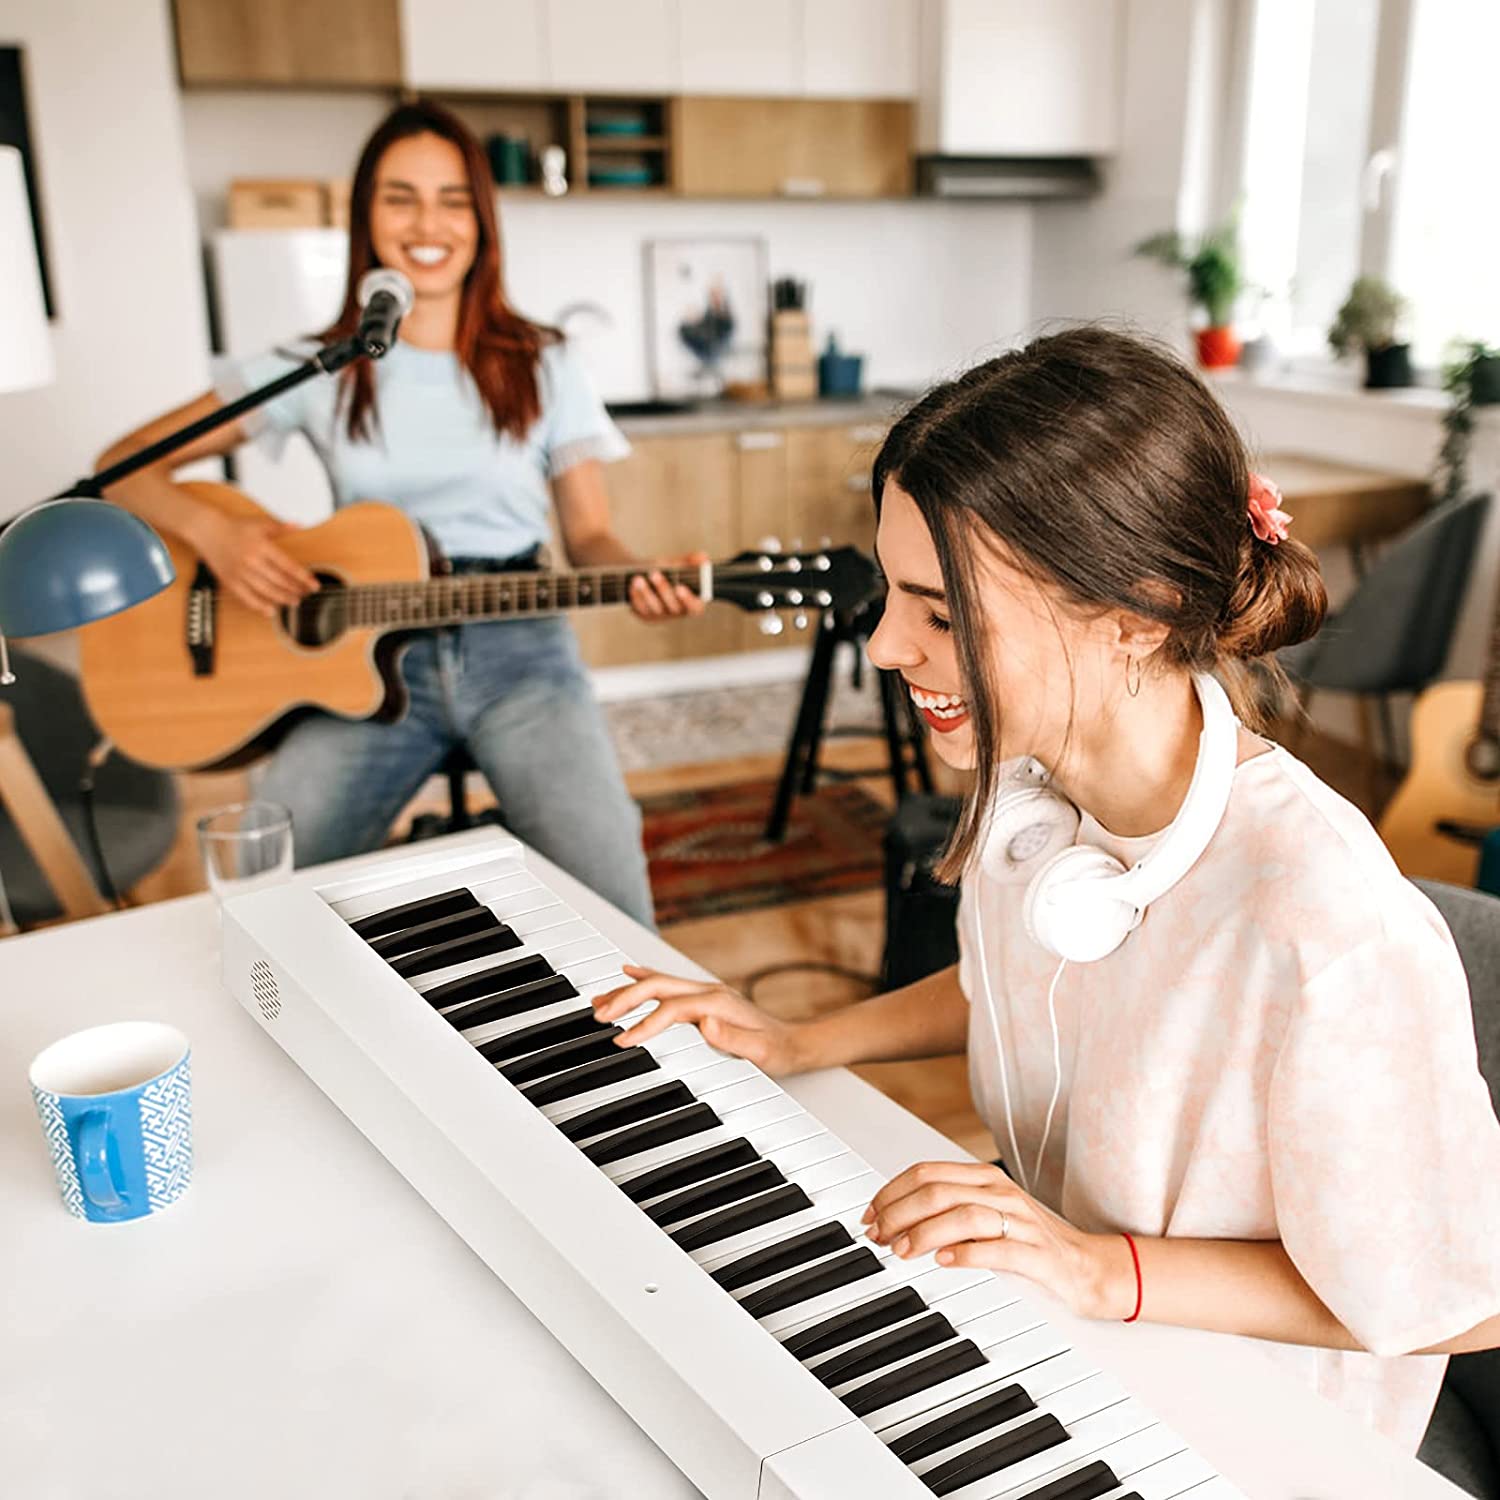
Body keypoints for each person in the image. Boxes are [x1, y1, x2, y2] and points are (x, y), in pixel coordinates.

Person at [594, 326, 1500, 1450]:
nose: (884, 647)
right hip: (1064, 1324)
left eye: (942, 611)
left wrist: (1091, 1268)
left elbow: (1464, 1305)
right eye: (892, 595)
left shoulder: (1325, 924)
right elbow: (1012, 980)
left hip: (1255, 1427)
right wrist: (797, 1041)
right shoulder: (1038, 794)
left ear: (1136, 614)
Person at [98, 100, 701, 927]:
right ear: (366, 216)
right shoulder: (321, 366)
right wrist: (218, 535)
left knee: (616, 903)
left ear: (482, 221)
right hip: (362, 666)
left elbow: (589, 534)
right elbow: (120, 468)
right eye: (401, 197)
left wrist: (638, 577)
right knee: (256, 899)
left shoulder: (545, 361)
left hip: (520, 649)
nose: (429, 223)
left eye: (453, 200)